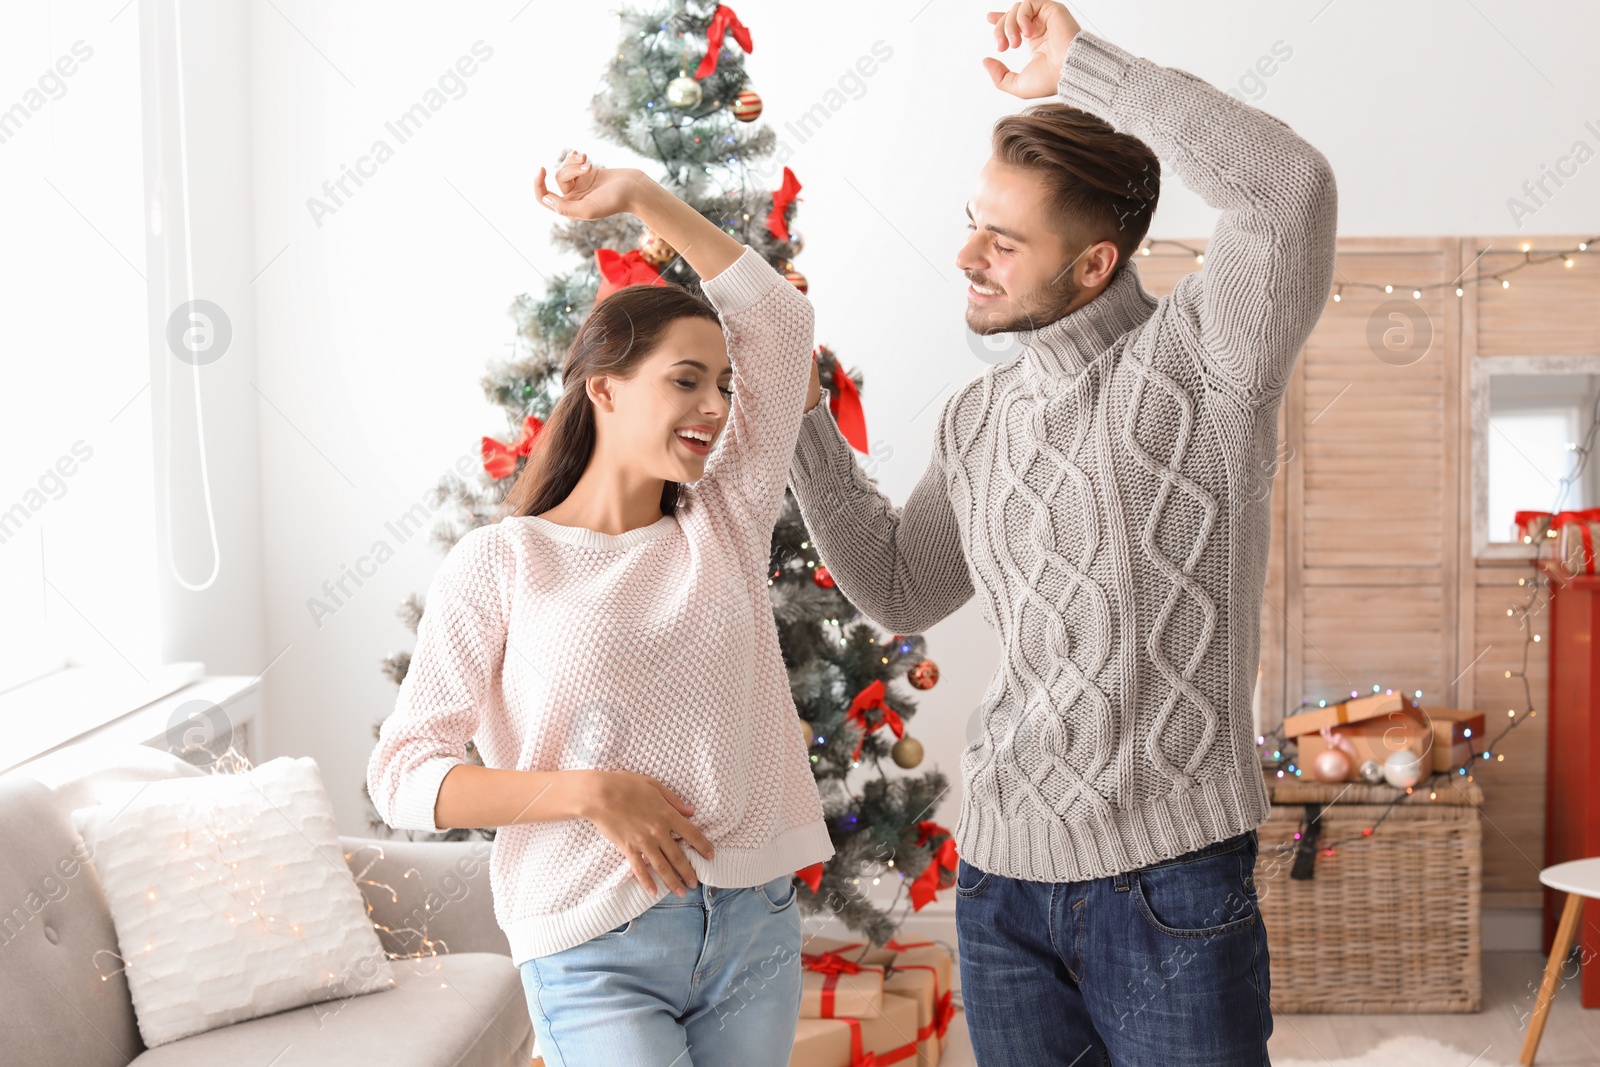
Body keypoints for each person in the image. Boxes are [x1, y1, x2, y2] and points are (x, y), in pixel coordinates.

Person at [787, 4, 1337, 1065]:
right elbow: (902, 587)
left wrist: (1082, 68)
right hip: (1001, 888)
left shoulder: (1207, 360)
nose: (965, 255)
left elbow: (1289, 189)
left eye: (1003, 239)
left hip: (1169, 877)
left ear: (1091, 265)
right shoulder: (977, 417)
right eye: (970, 220)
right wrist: (803, 424)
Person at [366, 149, 834, 1066]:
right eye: (686, 379)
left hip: (752, 922)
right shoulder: (503, 562)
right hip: (592, 942)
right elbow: (403, 776)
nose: (714, 407)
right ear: (606, 386)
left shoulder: (722, 523)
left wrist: (643, 199)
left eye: (722, 385)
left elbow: (780, 324)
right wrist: (587, 793)